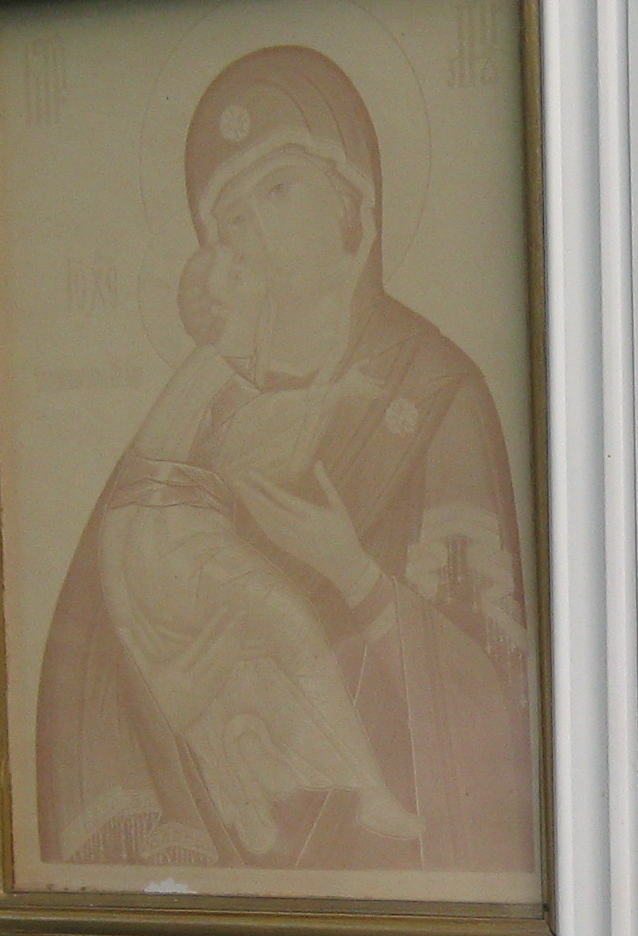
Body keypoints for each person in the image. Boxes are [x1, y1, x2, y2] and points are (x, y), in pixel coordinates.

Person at [33, 43, 538, 876]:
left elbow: (496, 678)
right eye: (230, 217)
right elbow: (91, 660)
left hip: (395, 871)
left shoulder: (435, 393)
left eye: (278, 189)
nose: (256, 229)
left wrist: (353, 572)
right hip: (216, 838)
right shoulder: (201, 397)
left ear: (352, 202)